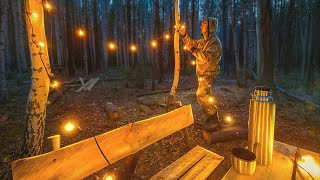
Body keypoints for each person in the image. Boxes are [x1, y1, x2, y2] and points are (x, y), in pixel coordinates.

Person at [179, 17, 222, 131]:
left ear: (210, 28)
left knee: (201, 95)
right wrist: (184, 35)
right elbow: (192, 43)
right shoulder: (204, 41)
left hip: (209, 74)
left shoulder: (214, 43)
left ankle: (214, 120)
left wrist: (193, 50)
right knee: (206, 97)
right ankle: (211, 119)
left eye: (203, 25)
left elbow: (207, 57)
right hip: (202, 74)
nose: (201, 26)